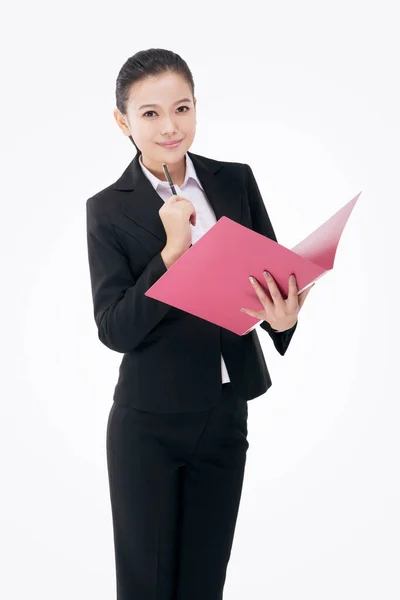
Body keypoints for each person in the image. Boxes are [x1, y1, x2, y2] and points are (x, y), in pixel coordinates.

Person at [85, 48, 313, 600]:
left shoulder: (235, 181)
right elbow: (114, 328)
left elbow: (271, 284)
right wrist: (171, 255)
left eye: (181, 108)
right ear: (123, 122)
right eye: (150, 114)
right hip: (148, 424)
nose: (169, 126)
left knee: (204, 586)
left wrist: (285, 318)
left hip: (225, 414)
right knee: (148, 588)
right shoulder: (107, 209)